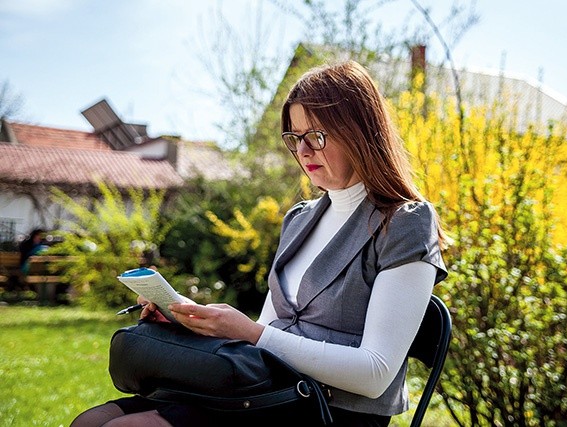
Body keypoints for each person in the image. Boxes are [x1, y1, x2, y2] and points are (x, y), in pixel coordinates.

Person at [71, 60, 448, 427]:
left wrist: (248, 332)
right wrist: (193, 323)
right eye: (294, 138)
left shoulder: (404, 222)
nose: (303, 151)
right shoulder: (300, 219)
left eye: (316, 136)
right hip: (264, 392)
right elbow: (269, 331)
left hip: (330, 411)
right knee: (93, 420)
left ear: (360, 132)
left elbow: (375, 373)